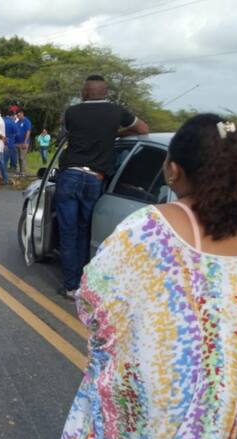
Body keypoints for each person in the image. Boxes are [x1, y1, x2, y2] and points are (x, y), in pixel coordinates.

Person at [48, 114, 237, 439]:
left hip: (150, 385)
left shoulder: (150, 226)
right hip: (225, 391)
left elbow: (95, 297)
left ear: (174, 170)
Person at [55, 74, 150, 298]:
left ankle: (71, 286)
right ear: (106, 92)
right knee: (85, 230)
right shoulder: (117, 112)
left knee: (67, 231)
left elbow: (68, 135)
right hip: (95, 179)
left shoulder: (72, 112)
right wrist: (115, 134)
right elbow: (143, 129)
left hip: (70, 176)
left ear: (85, 92)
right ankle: (85, 283)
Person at [14, 109, 33, 176]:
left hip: (24, 142)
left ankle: (24, 172)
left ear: (22, 114)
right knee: (18, 158)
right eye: (17, 115)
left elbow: (28, 131)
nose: (18, 116)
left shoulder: (26, 121)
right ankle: (20, 171)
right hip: (17, 142)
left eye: (19, 115)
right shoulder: (17, 122)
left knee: (22, 157)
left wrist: (25, 142)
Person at [2, 108, 19, 178]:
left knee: (2, 159)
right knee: (11, 157)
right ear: (12, 115)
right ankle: (9, 173)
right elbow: (16, 132)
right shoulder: (12, 122)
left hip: (1, 143)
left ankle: (2, 173)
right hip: (10, 143)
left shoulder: (2, 120)